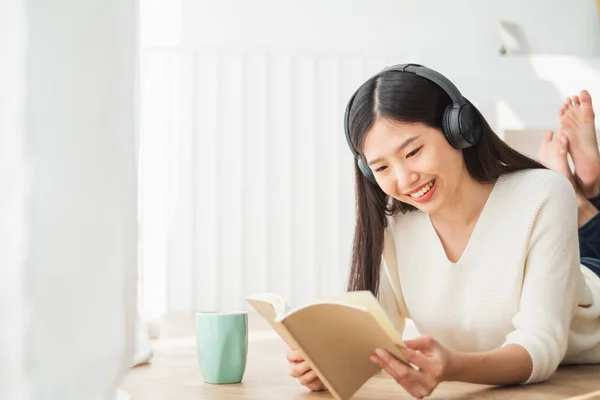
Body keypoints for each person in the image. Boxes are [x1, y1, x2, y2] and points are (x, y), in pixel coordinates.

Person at [286, 64, 600, 399]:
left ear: (457, 129)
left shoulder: (543, 194)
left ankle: (582, 194)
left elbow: (542, 346)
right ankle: (582, 187)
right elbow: (373, 338)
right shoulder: (395, 225)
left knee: (562, 201)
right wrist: (328, 361)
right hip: (549, 230)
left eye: (413, 152)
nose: (404, 180)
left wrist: (454, 367)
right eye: (382, 167)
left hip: (590, 294)